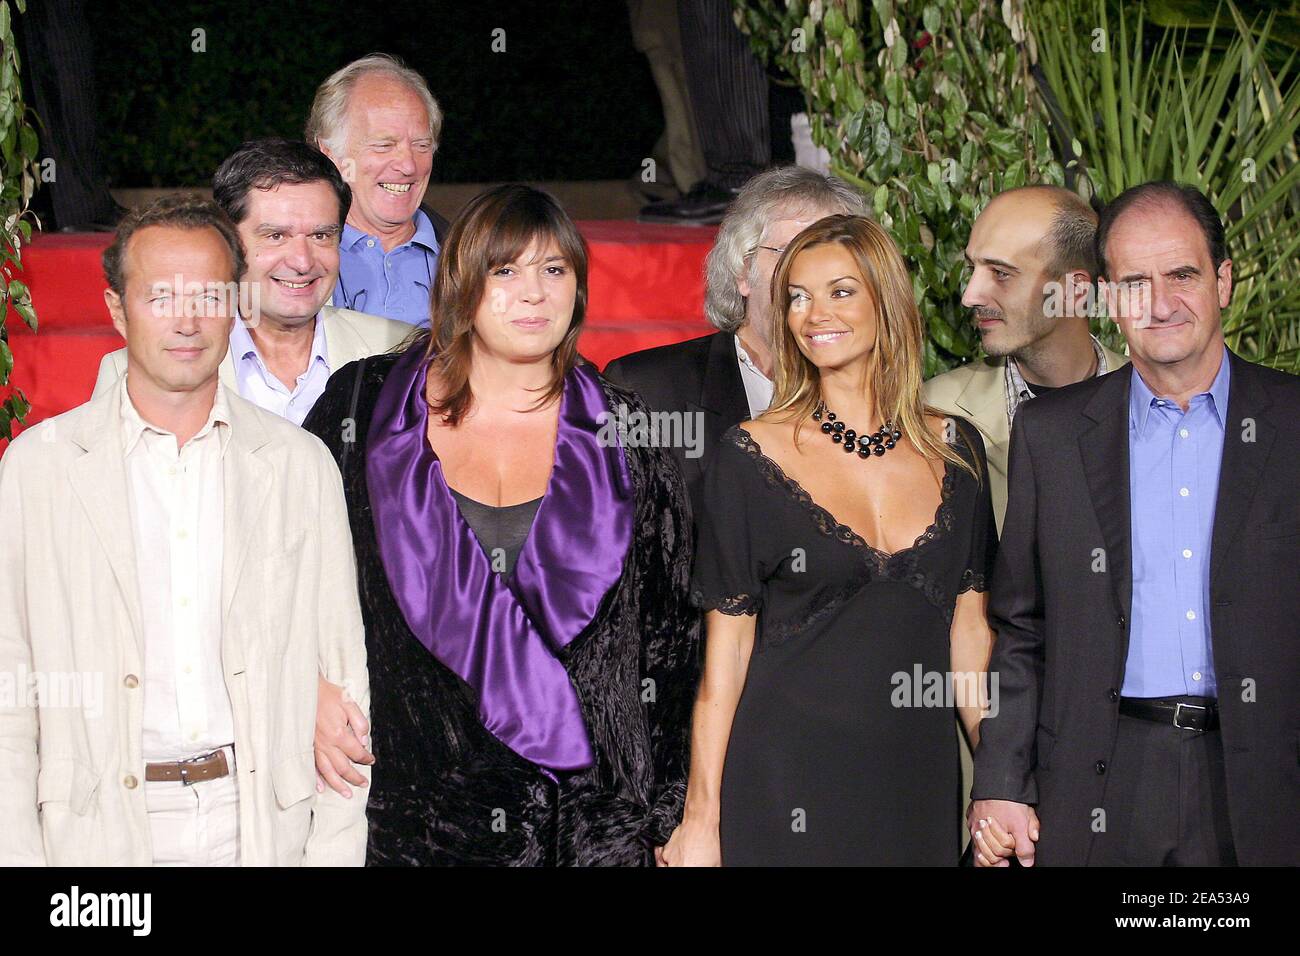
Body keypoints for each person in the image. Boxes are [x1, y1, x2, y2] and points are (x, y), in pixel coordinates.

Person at [303, 184, 700, 865]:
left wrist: (674, 813)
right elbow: (282, 567)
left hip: (586, 829)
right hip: (418, 818)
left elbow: (673, 637)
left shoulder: (627, 430)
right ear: (463, 285)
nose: (534, 293)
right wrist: (307, 687)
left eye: (555, 271)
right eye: (506, 270)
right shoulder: (364, 406)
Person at [0, 196, 370, 866]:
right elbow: (9, 690)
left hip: (257, 823)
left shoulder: (297, 465)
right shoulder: (39, 469)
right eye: (161, 296)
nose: (188, 320)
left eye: (208, 295)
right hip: (96, 831)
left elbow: (343, 681)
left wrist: (332, 853)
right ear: (117, 310)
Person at [970, 182, 1300, 867]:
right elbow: (1023, 627)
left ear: (1224, 281)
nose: (1160, 301)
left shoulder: (1292, 423)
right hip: (1103, 778)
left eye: (1183, 274)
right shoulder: (1052, 436)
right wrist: (1001, 783)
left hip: (1264, 783)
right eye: (1134, 281)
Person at [664, 214, 997, 865]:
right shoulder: (751, 453)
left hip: (915, 785)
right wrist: (701, 821)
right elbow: (724, 658)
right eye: (797, 295)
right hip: (783, 775)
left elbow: (970, 635)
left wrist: (1008, 781)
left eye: (840, 291)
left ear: (887, 300)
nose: (814, 313)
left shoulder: (958, 450)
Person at [606, 165, 866, 515]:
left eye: (834, 257)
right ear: (744, 271)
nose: (812, 275)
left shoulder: (877, 399)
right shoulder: (647, 391)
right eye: (791, 252)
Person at [93, 139, 410, 425]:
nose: (302, 261)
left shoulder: (402, 351)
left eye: (321, 235)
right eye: (276, 236)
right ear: (227, 241)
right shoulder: (129, 372)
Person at [924, 185, 1128, 534]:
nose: (971, 296)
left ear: (1074, 290)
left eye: (1001, 273)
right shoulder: (933, 411)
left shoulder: (1153, 401)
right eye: (973, 268)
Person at [307, 54, 449, 326]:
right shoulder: (288, 265)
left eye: (421, 145)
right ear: (329, 155)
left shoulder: (473, 258)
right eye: (384, 146)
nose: (408, 165)